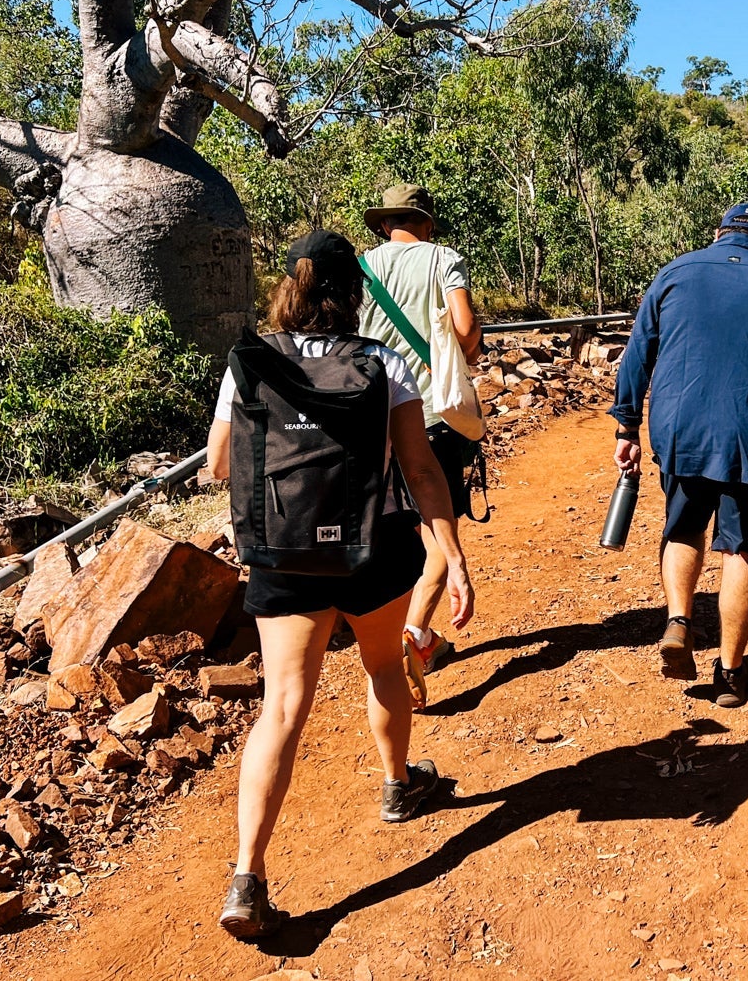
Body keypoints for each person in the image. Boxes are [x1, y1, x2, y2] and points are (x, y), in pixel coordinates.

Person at [205, 229, 475, 938]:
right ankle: (398, 783)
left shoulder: (248, 364)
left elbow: (216, 463)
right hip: (371, 552)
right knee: (383, 663)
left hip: (282, 554)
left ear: (288, 287)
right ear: (352, 293)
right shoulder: (382, 363)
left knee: (283, 705)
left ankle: (247, 876)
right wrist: (452, 551)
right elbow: (420, 470)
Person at [609, 203, 748, 708]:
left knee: (683, 527)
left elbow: (638, 350)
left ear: (718, 234)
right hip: (747, 434)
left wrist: (626, 423)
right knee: (740, 549)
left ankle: (679, 620)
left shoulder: (673, 272)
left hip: (680, 430)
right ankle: (732, 673)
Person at [357, 183, 483, 710]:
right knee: (439, 535)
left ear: (387, 223)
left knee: (395, 531)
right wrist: (466, 352)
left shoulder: (360, 267)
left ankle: (395, 639)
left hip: (368, 417)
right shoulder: (443, 259)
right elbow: (465, 328)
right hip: (430, 414)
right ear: (426, 223)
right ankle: (414, 636)